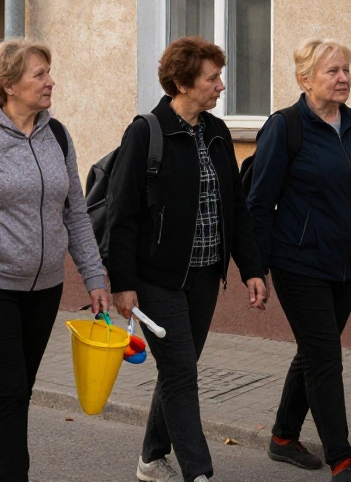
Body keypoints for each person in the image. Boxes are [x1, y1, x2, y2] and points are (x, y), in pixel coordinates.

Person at [0, 39, 111, 482]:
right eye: (39, 75)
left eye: (48, 73)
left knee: (17, 393)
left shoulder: (58, 135)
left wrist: (95, 276)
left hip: (44, 288)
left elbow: (76, 213)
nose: (51, 82)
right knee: (9, 392)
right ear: (9, 84)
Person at [247, 37, 351, 481]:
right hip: (298, 262)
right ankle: (342, 459)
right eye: (332, 71)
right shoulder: (285, 127)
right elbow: (259, 204)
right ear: (305, 79)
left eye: (345, 70)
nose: (343, 78)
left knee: (315, 349)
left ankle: (283, 436)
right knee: (326, 356)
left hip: (348, 263)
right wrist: (254, 269)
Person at [105, 36, 268, 482]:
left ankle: (151, 457)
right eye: (212, 78)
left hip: (203, 275)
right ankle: (199, 472)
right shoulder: (146, 132)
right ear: (181, 82)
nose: (221, 86)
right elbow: (121, 214)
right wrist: (122, 283)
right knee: (181, 373)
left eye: (220, 76)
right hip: (156, 279)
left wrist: (251, 268)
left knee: (180, 369)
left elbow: (236, 207)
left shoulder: (215, 132)